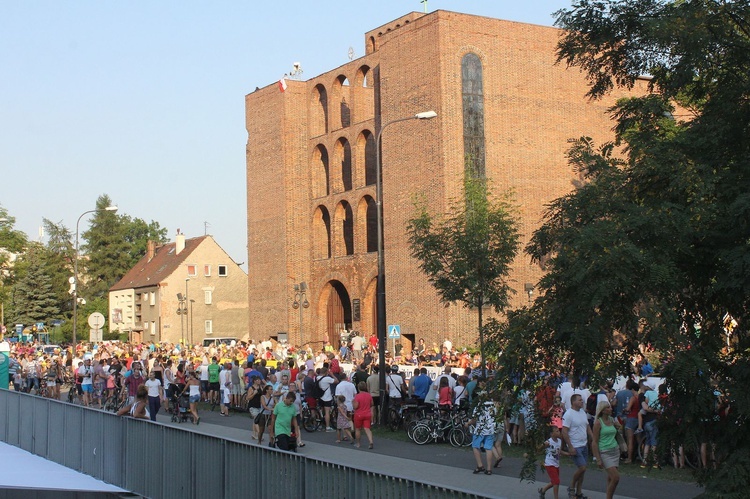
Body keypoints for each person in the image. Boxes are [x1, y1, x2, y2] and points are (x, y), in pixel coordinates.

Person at [562, 393, 594, 499]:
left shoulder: (582, 413)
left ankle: (579, 492)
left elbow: (587, 426)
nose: (582, 402)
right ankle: (571, 487)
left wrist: (592, 438)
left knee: (583, 470)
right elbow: (564, 432)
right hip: (575, 445)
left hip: (584, 444)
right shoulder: (568, 414)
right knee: (582, 467)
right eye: (580, 400)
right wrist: (570, 446)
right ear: (574, 402)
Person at [592, 402, 621, 499]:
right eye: (608, 407)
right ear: (603, 410)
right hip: (605, 452)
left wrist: (619, 427)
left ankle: (609, 497)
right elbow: (594, 442)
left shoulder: (612, 420)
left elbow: (618, 433)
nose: (611, 409)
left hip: (615, 450)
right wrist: (598, 458)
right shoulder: (598, 423)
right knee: (616, 478)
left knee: (611, 477)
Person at [468, 396, 500, 475]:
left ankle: (480, 465)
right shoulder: (493, 407)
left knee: (475, 446)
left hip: (480, 430)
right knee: (488, 448)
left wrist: (468, 423)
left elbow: (474, 419)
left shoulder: (479, 407)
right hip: (490, 429)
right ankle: (489, 469)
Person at [539, 425, 569, 499]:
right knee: (556, 481)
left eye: (559, 431)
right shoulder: (548, 442)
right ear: (552, 434)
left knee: (554, 481)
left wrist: (568, 454)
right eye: (557, 431)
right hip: (550, 464)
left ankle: (543, 490)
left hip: (556, 464)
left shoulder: (559, 441)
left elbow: (559, 451)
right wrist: (543, 445)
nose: (559, 432)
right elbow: (539, 449)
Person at [353, 381, 374, 449]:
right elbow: (371, 404)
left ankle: (358, 443)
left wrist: (353, 403)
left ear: (358, 388)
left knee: (358, 429)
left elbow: (356, 406)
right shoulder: (369, 395)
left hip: (359, 414)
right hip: (367, 414)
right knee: (367, 429)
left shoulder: (357, 396)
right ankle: (371, 441)